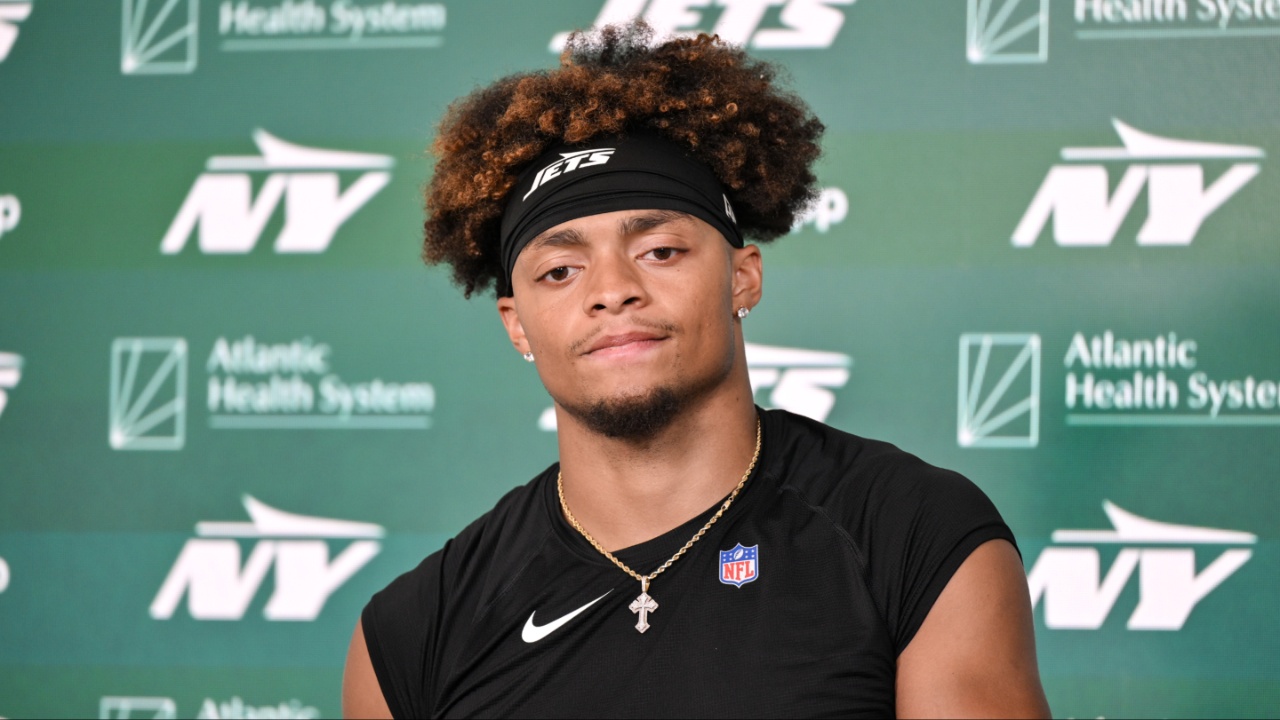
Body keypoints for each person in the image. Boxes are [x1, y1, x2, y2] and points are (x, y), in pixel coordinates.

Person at [343, 23, 1050, 719]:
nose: (611, 290)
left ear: (743, 279)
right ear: (516, 322)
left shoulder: (913, 536)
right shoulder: (410, 635)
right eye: (560, 270)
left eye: (660, 252)